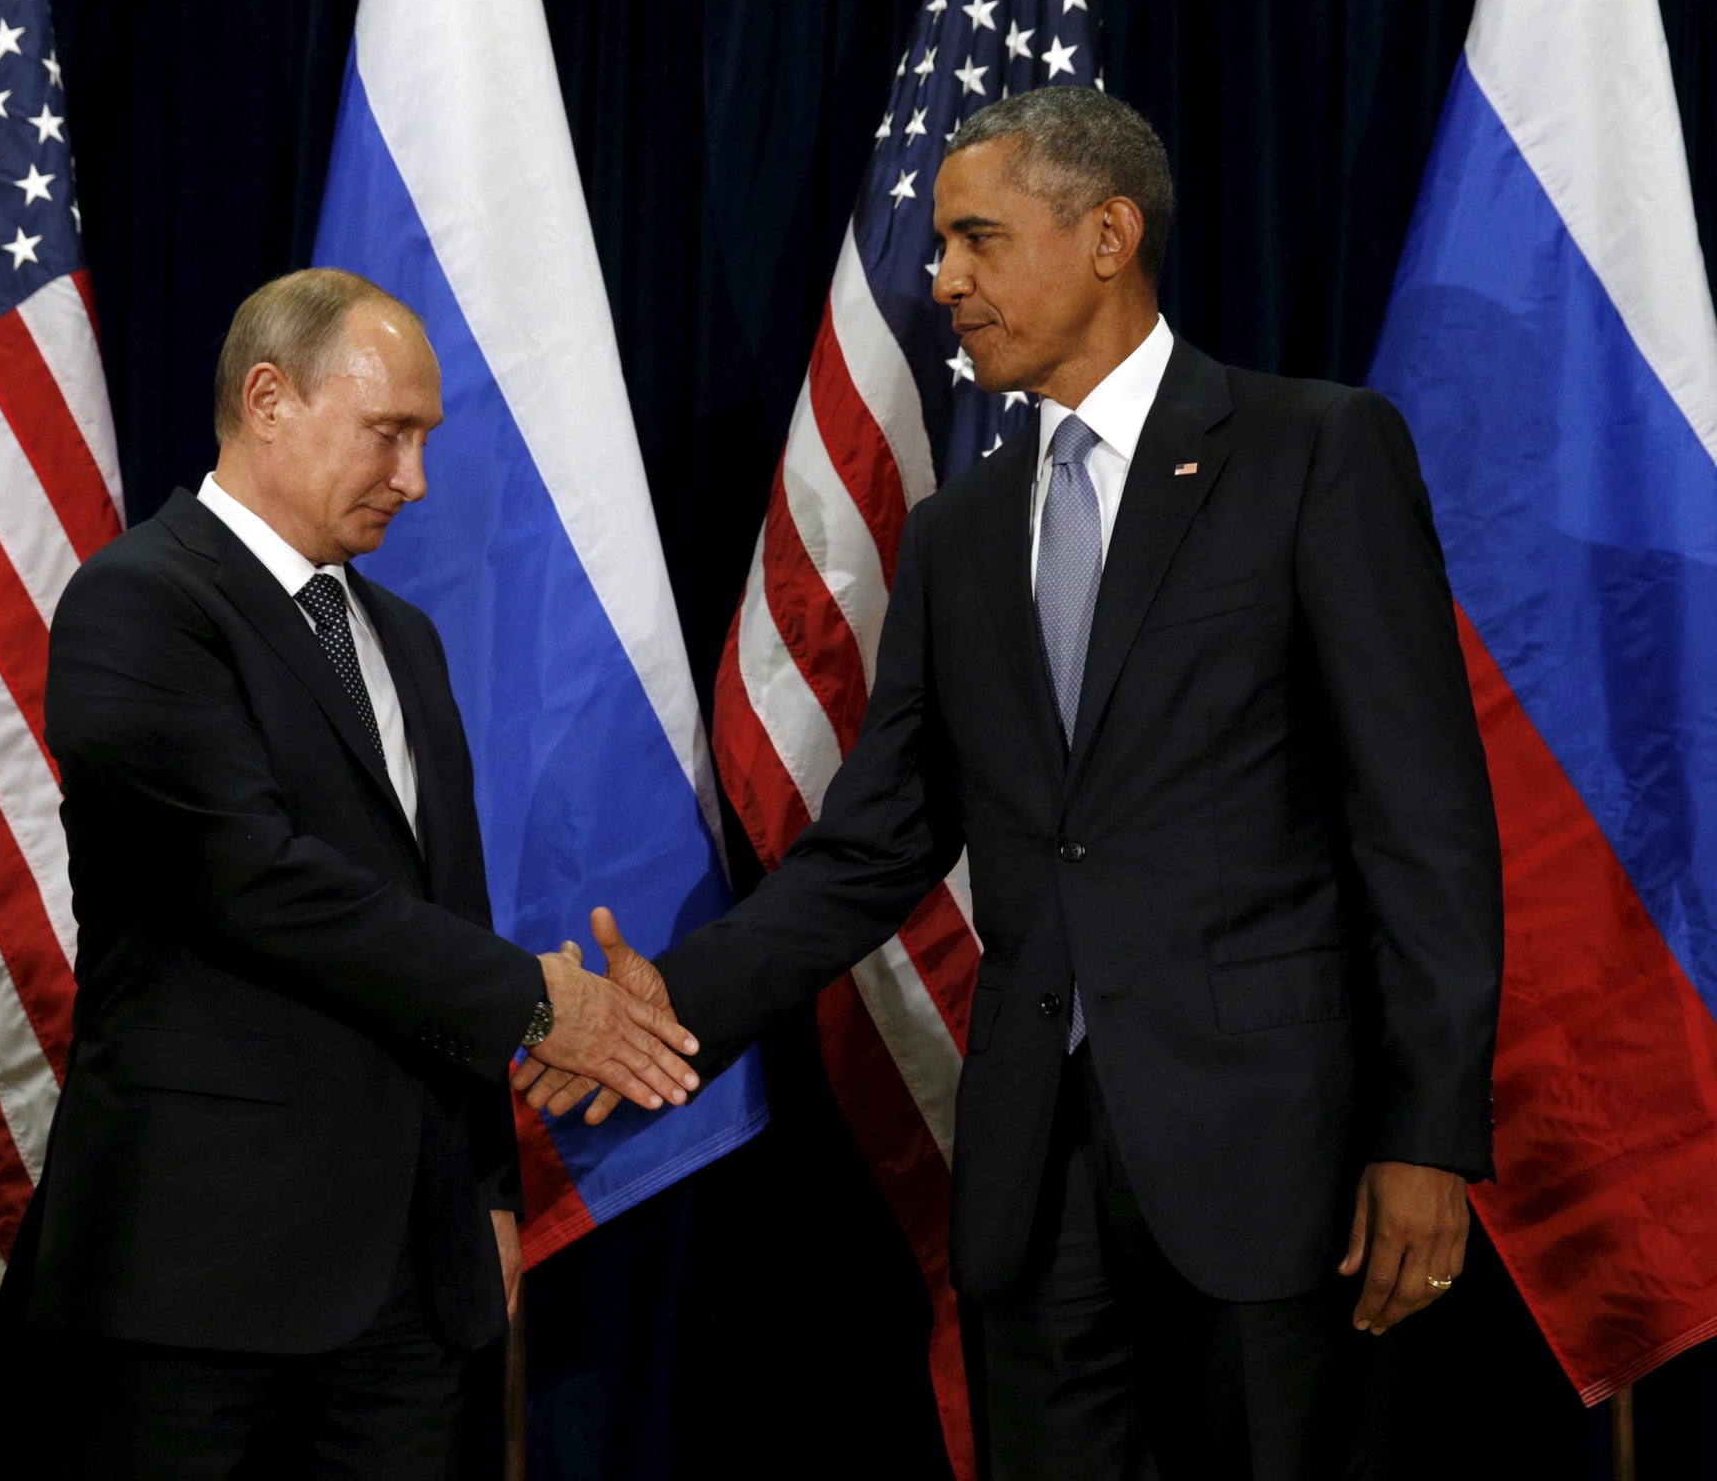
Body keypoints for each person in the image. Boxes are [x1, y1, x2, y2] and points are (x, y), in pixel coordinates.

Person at [523, 88, 1502, 1478]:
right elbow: (872, 847)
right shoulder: (963, 533)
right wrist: (671, 1001)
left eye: (977, 240)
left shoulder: (1312, 454)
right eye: (940, 248)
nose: (944, 282)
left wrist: (1428, 1138)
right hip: (1034, 1180)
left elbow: (1425, 828)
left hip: (1273, 1165)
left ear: (1109, 235)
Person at [5, 268, 700, 1479]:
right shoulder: (139, 603)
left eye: (425, 439)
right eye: (389, 433)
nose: (414, 479)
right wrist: (547, 1001)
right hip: (197, 1278)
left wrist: (487, 1187)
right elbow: (254, 880)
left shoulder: (406, 642)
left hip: (408, 1283)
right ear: (267, 398)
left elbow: (446, 916)